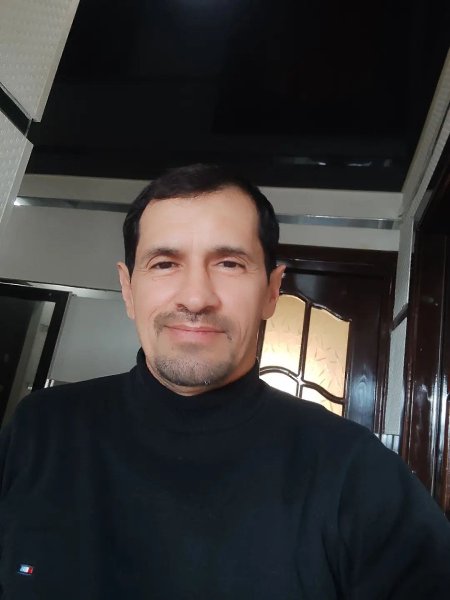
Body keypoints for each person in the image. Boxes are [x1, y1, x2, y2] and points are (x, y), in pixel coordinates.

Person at [1, 164, 449, 599]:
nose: (196, 298)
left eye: (230, 264)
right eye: (164, 264)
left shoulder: (356, 472)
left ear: (272, 291)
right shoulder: (40, 429)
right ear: (128, 288)